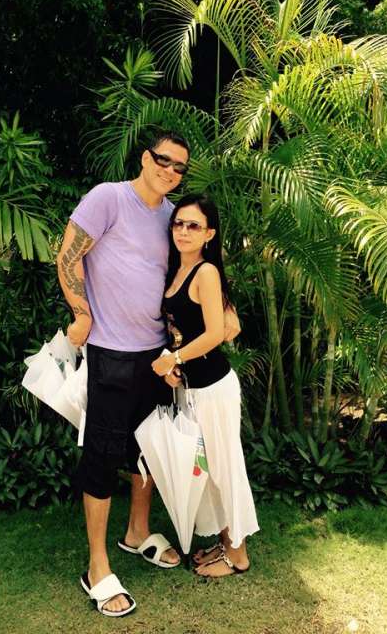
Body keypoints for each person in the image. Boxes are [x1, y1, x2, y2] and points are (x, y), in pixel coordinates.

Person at [56, 134, 240, 617]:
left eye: (180, 167)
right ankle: (98, 567)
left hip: (157, 357)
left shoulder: (174, 218)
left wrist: (225, 311)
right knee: (102, 454)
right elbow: (68, 256)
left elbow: (196, 268)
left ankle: (137, 532)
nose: (170, 171)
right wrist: (81, 313)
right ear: (145, 158)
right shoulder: (108, 198)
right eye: (163, 161)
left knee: (149, 450)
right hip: (111, 352)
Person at [151, 193, 259, 577]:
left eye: (193, 225)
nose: (183, 231)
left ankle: (238, 555)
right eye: (178, 223)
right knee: (207, 469)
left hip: (214, 387)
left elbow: (215, 334)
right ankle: (225, 541)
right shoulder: (176, 270)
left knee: (225, 466)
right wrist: (173, 363)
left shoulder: (206, 272)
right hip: (191, 388)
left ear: (209, 233)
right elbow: (184, 329)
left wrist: (174, 359)